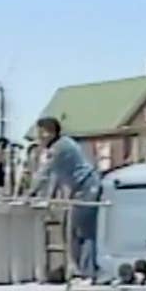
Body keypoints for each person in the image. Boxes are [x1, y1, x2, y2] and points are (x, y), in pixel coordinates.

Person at [29, 116, 102, 282]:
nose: (37, 138)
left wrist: (29, 194)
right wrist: (47, 198)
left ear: (48, 133)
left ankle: (87, 274)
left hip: (87, 187)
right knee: (71, 231)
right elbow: (55, 178)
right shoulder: (62, 145)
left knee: (82, 231)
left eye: (39, 133)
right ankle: (82, 271)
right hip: (79, 190)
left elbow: (44, 174)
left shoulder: (59, 148)